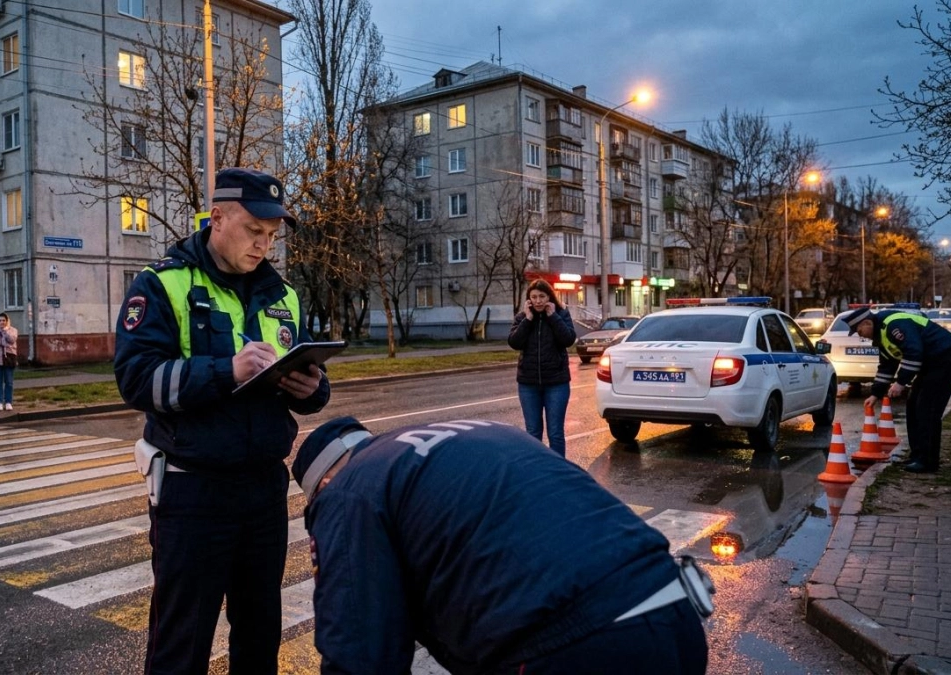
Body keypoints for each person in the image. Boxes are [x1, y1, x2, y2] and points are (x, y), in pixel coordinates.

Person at [114, 167, 331, 674]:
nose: (264, 245)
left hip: (262, 491)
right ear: (218, 219)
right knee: (181, 641)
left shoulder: (283, 296)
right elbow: (136, 379)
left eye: (272, 236)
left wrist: (312, 389)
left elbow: (302, 377)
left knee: (259, 638)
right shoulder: (163, 284)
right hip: (193, 493)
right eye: (255, 231)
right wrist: (224, 371)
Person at [293, 416, 710, 675]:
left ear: (324, 486)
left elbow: (361, 653)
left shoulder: (348, 492)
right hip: (672, 607)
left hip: (579, 646)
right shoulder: (459, 435)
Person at [847, 306, 951, 473]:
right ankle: (917, 455)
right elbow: (887, 366)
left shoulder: (893, 325)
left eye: (860, 331)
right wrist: (875, 394)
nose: (861, 336)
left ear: (867, 322)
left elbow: (914, 351)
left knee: (927, 410)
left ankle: (928, 462)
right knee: (913, 407)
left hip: (944, 359)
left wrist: (901, 383)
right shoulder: (881, 334)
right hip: (931, 364)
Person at [507, 278, 577, 455]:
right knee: (533, 433)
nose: (538, 301)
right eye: (534, 297)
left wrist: (553, 317)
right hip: (528, 384)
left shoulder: (561, 314)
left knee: (555, 433)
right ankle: (537, 472)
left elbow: (568, 339)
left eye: (542, 296)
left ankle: (558, 473)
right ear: (528, 299)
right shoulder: (523, 317)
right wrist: (528, 320)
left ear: (549, 297)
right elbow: (514, 342)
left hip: (556, 384)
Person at [0, 312, 19, 411]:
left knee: (9, 382)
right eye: (0, 320)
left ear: (7, 321)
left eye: (4, 320)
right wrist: (2, 341)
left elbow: (12, 340)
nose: (2, 322)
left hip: (8, 360)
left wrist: (5, 332)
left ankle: (8, 402)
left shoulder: (13, 330)